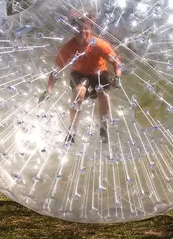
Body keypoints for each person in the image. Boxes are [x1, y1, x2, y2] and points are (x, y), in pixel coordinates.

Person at [41, 11, 122, 144]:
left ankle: (103, 126)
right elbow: (57, 69)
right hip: (79, 74)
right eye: (79, 29)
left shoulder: (99, 44)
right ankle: (72, 129)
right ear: (73, 30)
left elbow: (115, 61)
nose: (82, 32)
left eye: (86, 28)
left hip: (99, 73)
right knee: (79, 92)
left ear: (91, 28)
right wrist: (48, 89)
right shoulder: (69, 47)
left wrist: (118, 76)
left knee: (103, 94)